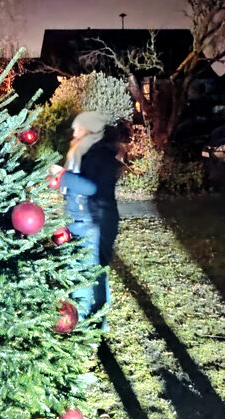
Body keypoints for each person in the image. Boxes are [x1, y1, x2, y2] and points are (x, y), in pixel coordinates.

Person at [48, 112, 129, 329]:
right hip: (85, 220)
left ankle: (86, 322)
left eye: (79, 129)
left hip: (93, 222)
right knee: (92, 270)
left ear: (91, 131)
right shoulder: (87, 153)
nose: (74, 134)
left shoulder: (97, 156)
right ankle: (95, 321)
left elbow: (91, 187)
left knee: (87, 272)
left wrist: (63, 176)